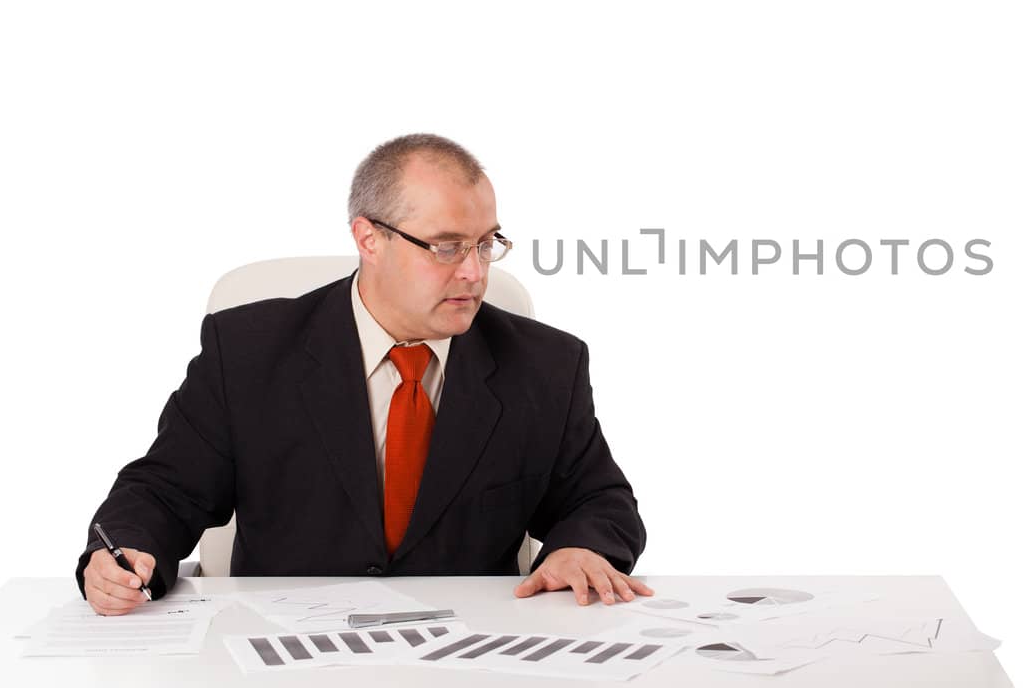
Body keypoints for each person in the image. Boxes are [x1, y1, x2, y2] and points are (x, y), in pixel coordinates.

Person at [77, 133, 651, 615]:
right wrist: (125, 551)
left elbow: (600, 499)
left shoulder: (545, 364)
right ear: (368, 238)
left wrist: (582, 547)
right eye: (447, 247)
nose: (475, 272)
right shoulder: (248, 351)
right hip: (282, 648)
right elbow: (165, 489)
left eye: (485, 243)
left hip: (468, 651)